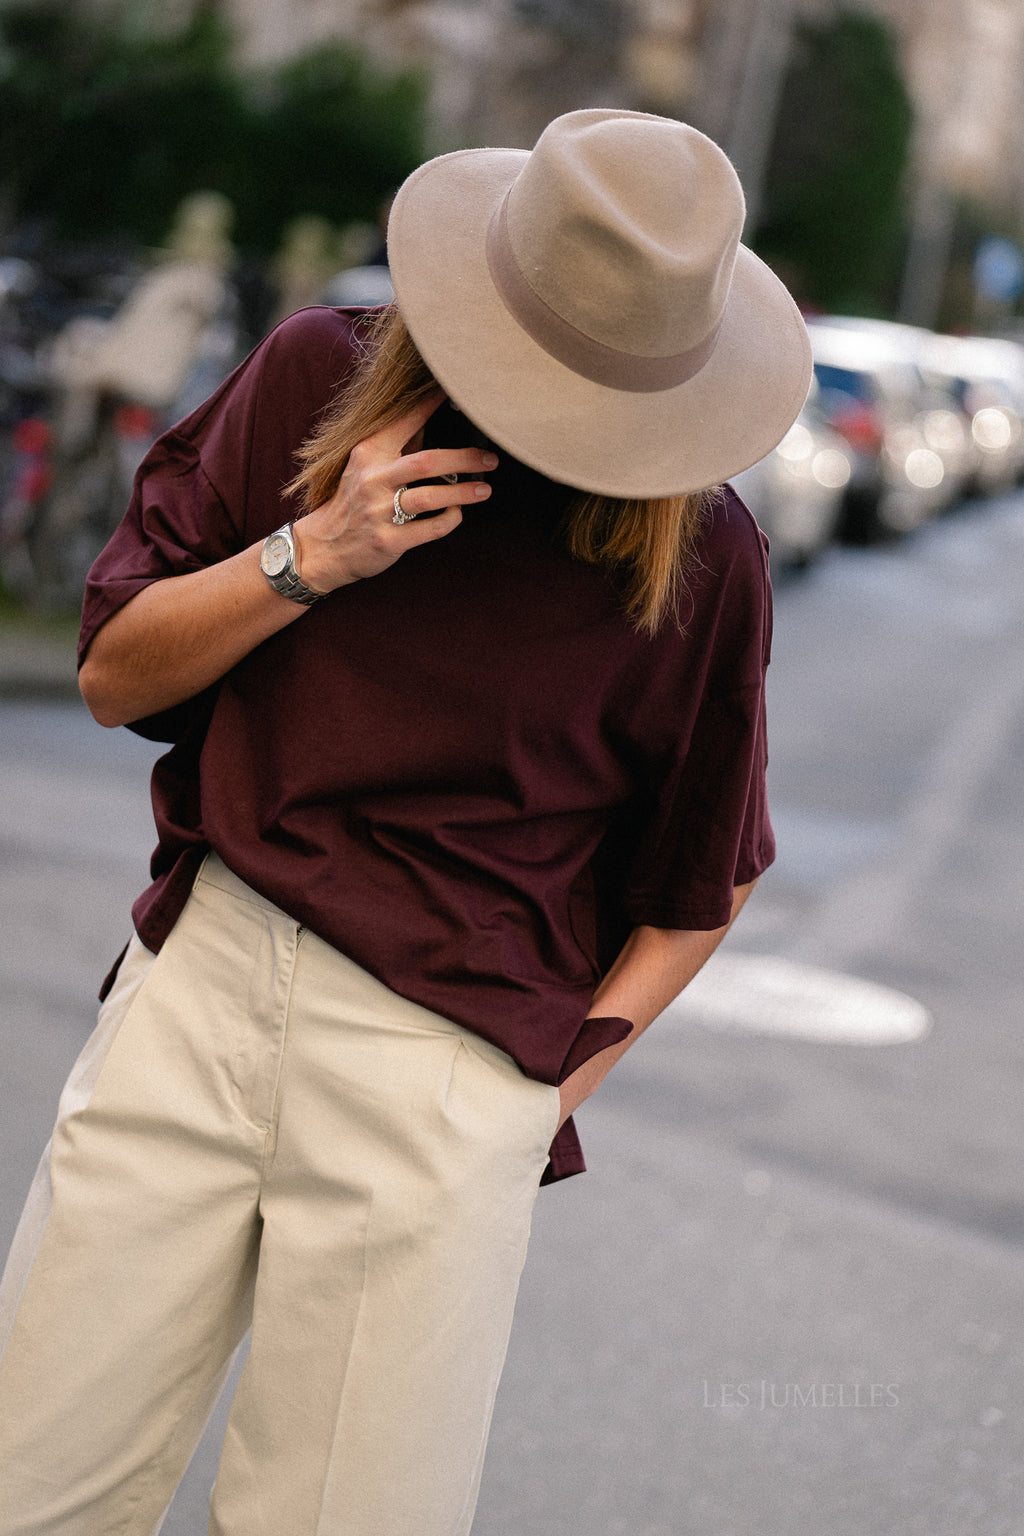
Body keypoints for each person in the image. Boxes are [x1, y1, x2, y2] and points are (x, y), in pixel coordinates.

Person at [0, 109, 811, 1535]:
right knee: (37, 1485)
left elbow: (702, 888)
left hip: (444, 1078)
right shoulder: (326, 376)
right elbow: (115, 672)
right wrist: (314, 554)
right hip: (202, 998)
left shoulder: (704, 551)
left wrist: (526, 1107)